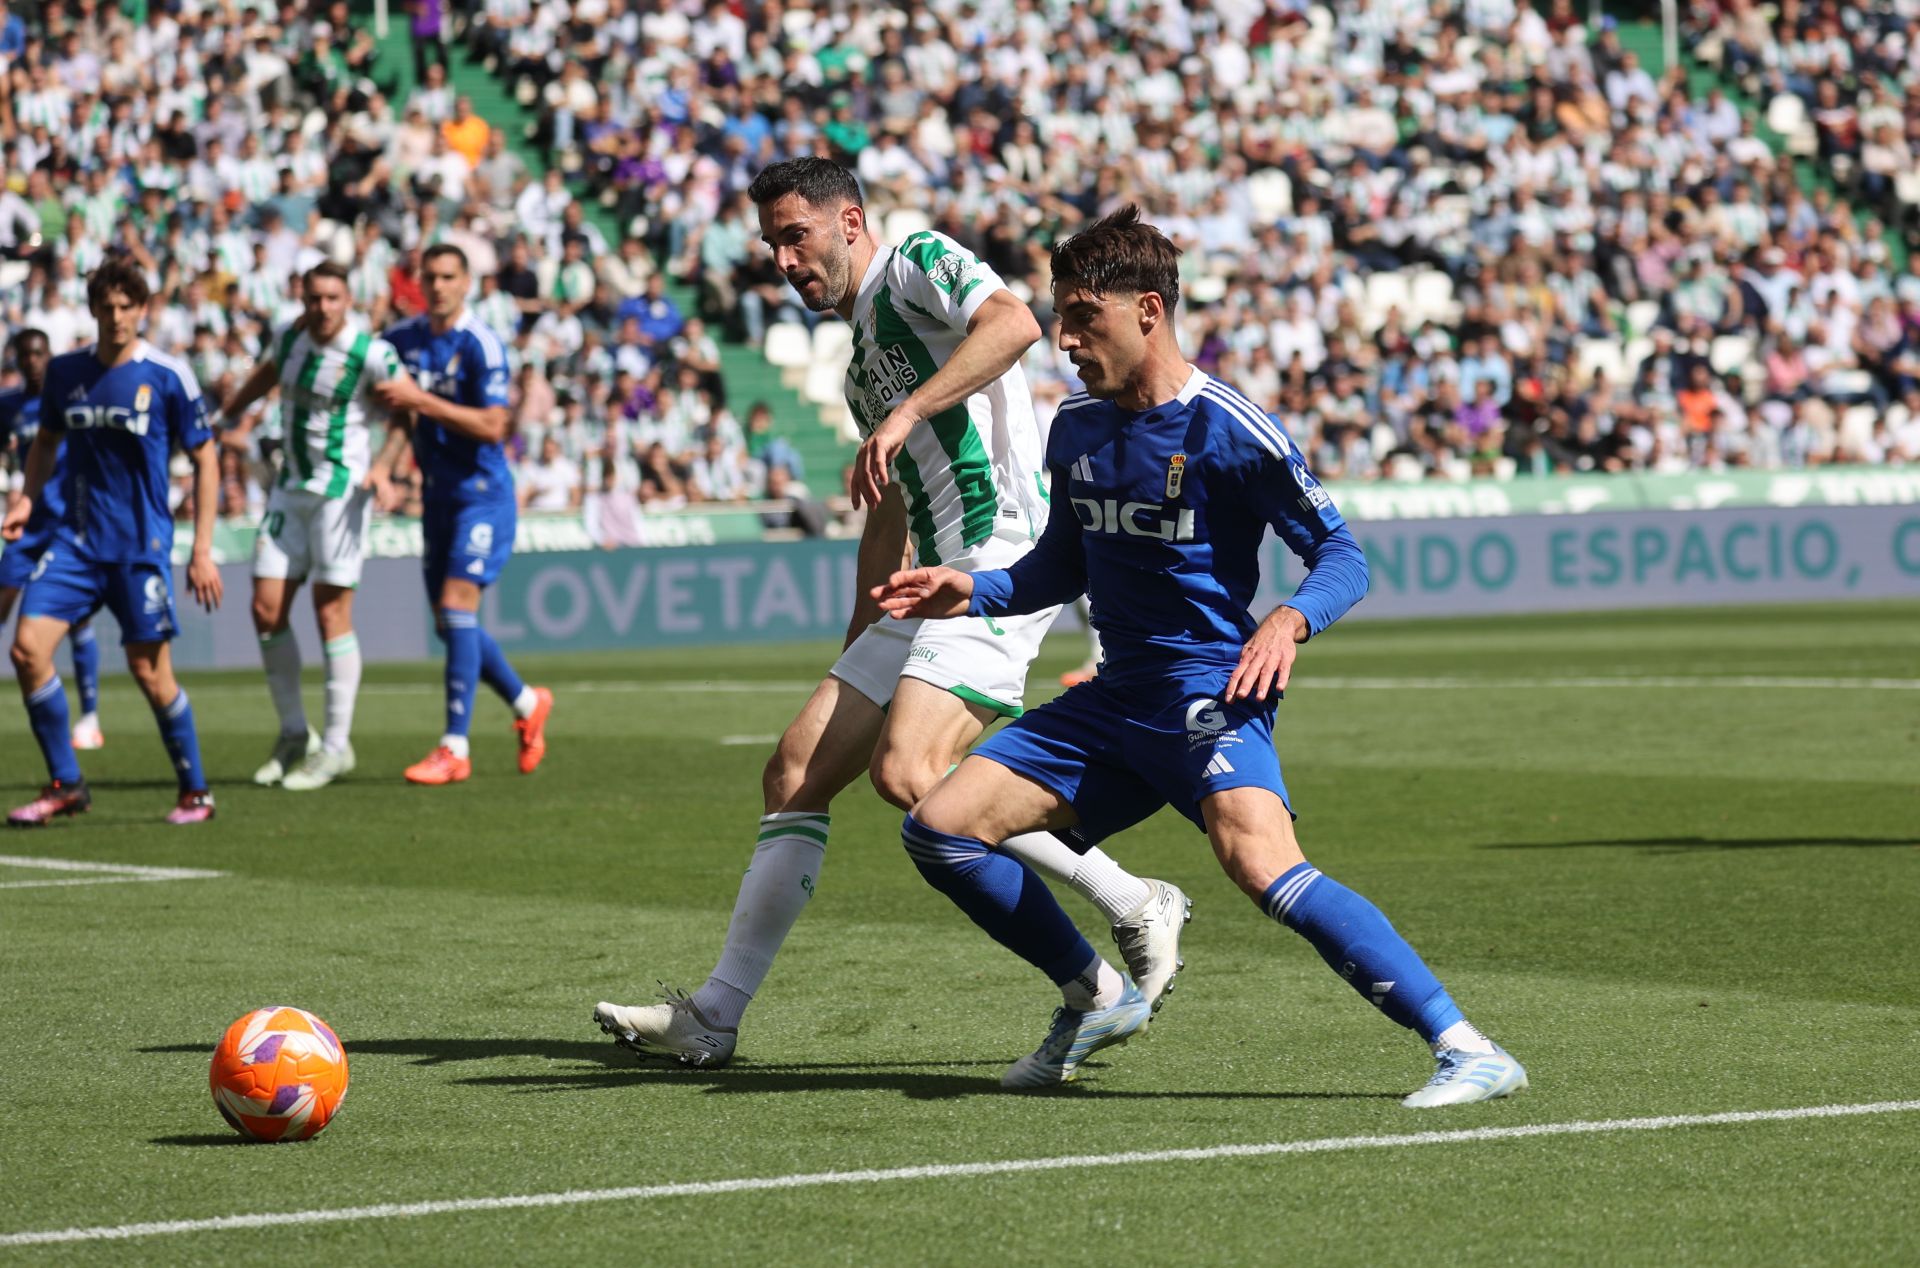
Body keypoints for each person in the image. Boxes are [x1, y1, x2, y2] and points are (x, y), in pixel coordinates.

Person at [875, 208, 1527, 1103]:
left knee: (1260, 863)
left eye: (1081, 316)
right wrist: (973, 589)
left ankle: (1469, 1049)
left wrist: (1287, 622)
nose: (1062, 338)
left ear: (1148, 309)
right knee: (940, 828)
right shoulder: (1076, 429)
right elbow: (1062, 565)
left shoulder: (1230, 428)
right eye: (1059, 316)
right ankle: (1093, 995)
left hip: (1207, 693)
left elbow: (1343, 555)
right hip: (1113, 703)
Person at [594, 159, 1185, 1068]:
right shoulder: (859, 364)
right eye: (772, 245)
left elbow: (1015, 322)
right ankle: (716, 1013)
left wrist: (907, 411)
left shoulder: (913, 263)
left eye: (798, 236)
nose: (785, 259)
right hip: (928, 579)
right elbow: (891, 510)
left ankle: (1119, 927)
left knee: (913, 774)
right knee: (794, 770)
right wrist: (856, 646)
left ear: (851, 221)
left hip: (1003, 556)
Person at [3, 258, 222, 826]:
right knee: (28, 650)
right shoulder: (65, 372)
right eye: (108, 307)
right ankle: (66, 784)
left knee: (152, 675)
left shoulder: (168, 374)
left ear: (142, 310)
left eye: (128, 306)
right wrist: (27, 498)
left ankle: (195, 791)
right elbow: (45, 442)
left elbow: (206, 456)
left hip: (138, 547)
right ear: (94, 309)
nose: (118, 316)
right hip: (75, 544)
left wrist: (201, 548)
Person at [217, 261, 413, 791]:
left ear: (348, 299)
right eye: (314, 298)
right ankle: (292, 735)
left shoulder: (370, 352)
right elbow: (265, 373)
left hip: (340, 495)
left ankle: (335, 746)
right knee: (265, 609)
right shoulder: (290, 338)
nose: (322, 307)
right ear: (302, 299)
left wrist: (385, 464)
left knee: (331, 615)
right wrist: (230, 411)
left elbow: (405, 411)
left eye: (332, 298)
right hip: (289, 489)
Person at [377, 243, 553, 785]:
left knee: (457, 608)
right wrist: (385, 469)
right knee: (451, 621)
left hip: (483, 493)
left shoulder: (481, 344)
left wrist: (419, 400)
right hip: (437, 494)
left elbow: (494, 426)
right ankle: (527, 703)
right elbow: (397, 414)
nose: (437, 286)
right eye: (429, 276)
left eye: (448, 276)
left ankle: (454, 747)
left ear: (466, 282)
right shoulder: (401, 340)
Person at [0, 327, 106, 751]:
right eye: (25, 355)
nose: (32, 362)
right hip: (26, 529)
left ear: (50, 355)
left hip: (66, 526)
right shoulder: (8, 405)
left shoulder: (69, 396)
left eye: (39, 353)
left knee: (78, 620)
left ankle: (90, 718)